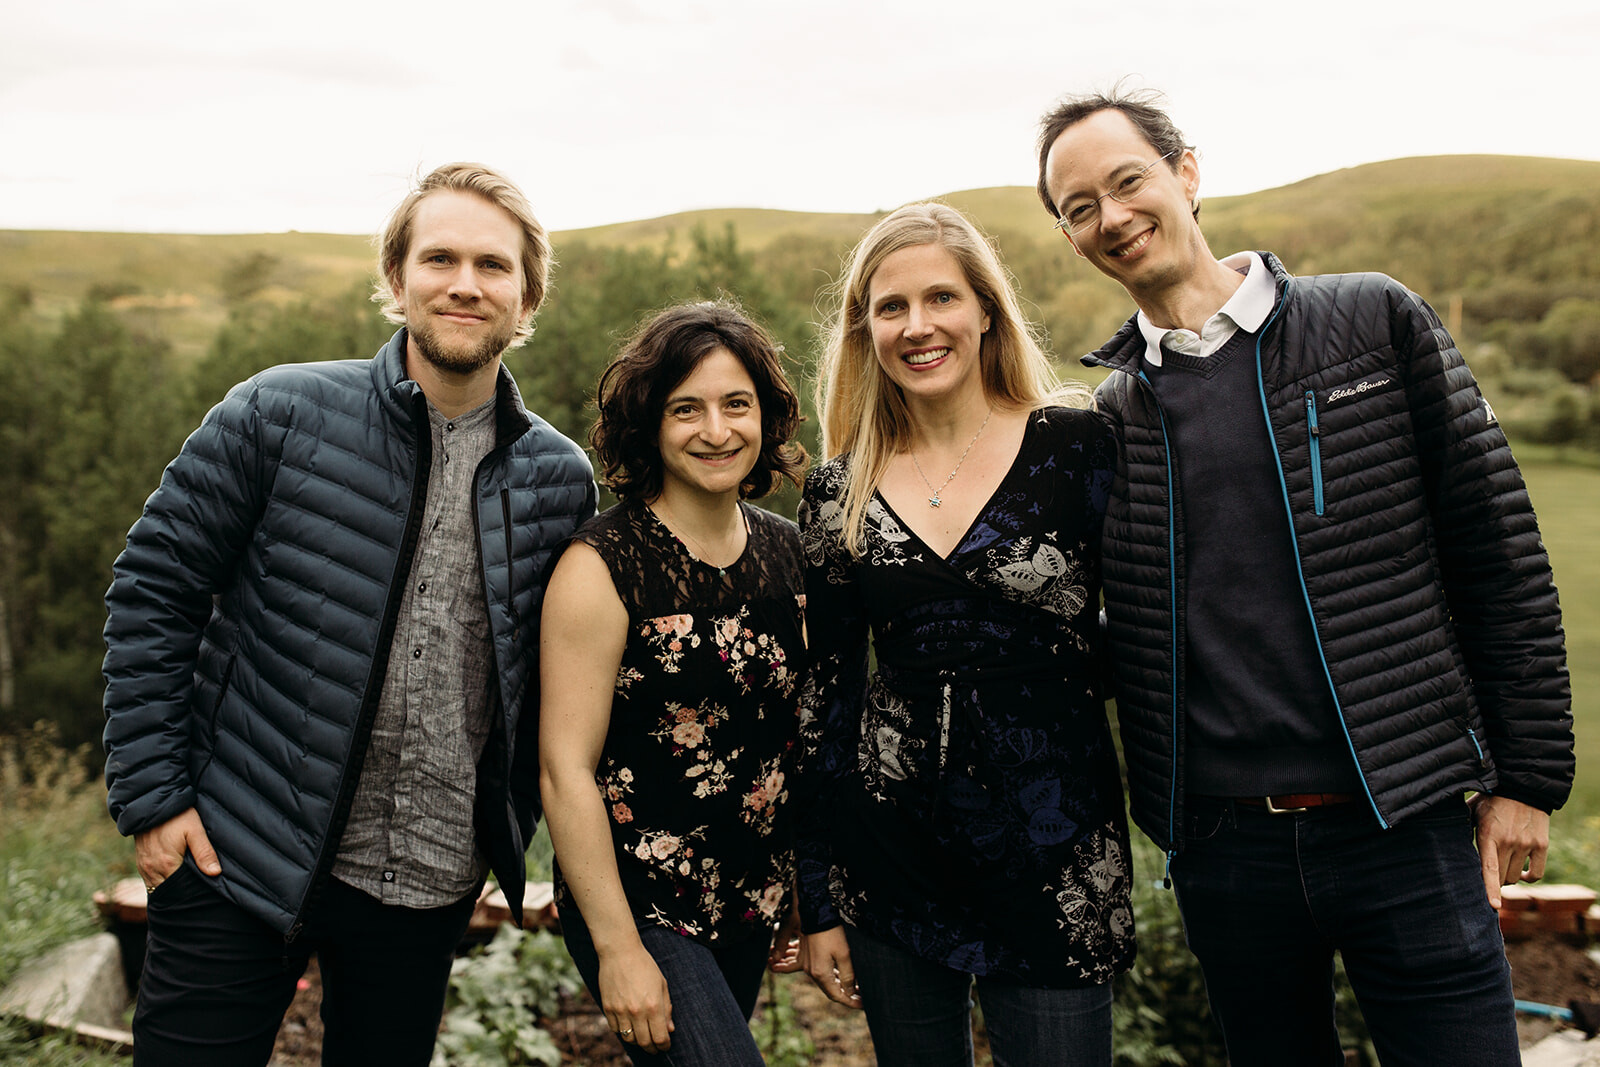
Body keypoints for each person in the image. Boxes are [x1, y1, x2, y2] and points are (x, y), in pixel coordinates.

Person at [1035, 87, 1574, 1066]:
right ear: (1070, 238)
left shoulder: (1369, 320)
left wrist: (1525, 778)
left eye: (1126, 182)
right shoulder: (1110, 416)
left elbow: (1496, 549)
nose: (1110, 217)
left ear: (1185, 173)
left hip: (1401, 821)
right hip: (1226, 849)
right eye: (1078, 207)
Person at [101, 162, 596, 1066]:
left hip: (426, 876)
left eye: (493, 265)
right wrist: (155, 795)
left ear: (528, 298)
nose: (463, 283)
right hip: (235, 852)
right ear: (397, 277)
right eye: (438, 257)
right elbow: (154, 587)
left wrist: (519, 833)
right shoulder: (277, 412)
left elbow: (565, 682)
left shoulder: (560, 481)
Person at [796, 202, 1134, 1067]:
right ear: (864, 328)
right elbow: (824, 702)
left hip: (1056, 855)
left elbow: (1146, 634)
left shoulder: (1080, 448)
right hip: (891, 860)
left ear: (986, 308)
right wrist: (819, 898)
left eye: (941, 297)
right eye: (890, 307)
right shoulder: (841, 490)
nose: (918, 326)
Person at [539, 300, 809, 1065]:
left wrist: (796, 888)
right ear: (650, 425)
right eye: (686, 408)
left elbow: (794, 739)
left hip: (749, 896)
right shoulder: (602, 566)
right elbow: (565, 772)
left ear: (766, 418)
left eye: (736, 404)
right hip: (643, 904)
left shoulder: (789, 555)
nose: (716, 430)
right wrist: (618, 947)